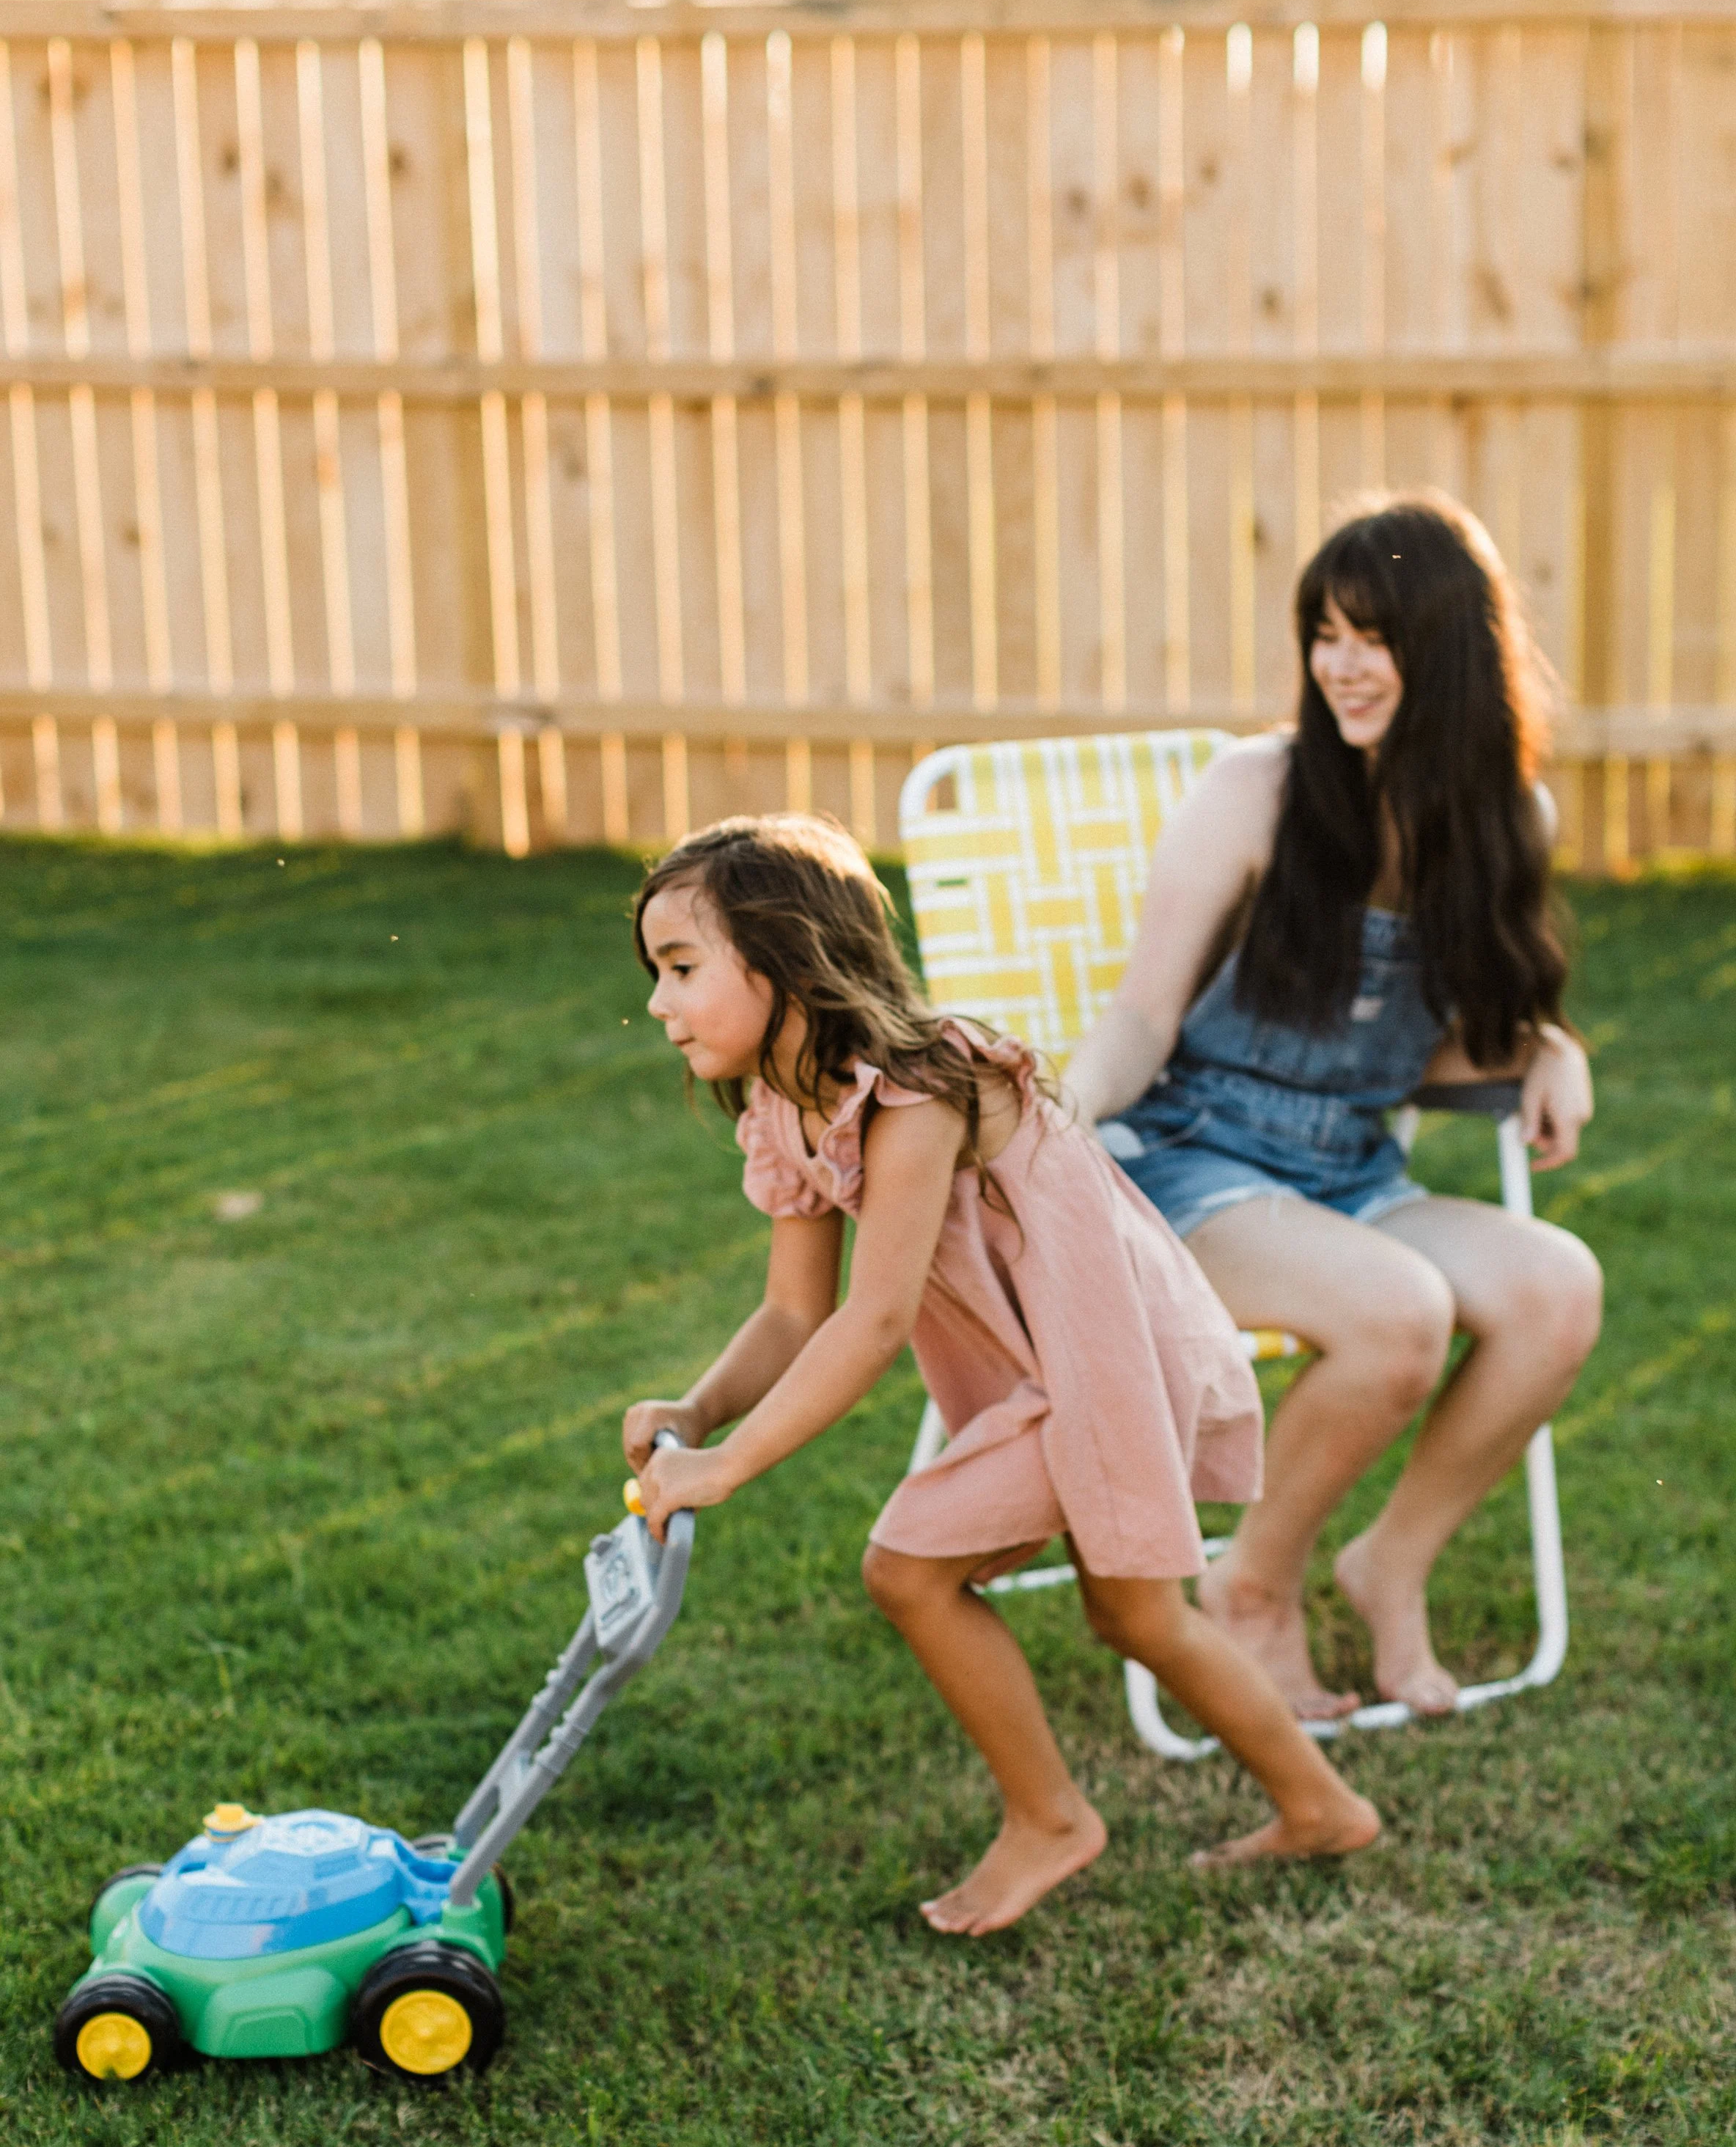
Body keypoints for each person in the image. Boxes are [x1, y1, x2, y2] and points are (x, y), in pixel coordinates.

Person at [622, 814, 1380, 1937]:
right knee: (1139, 1618)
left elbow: (876, 1320)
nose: (658, 1002)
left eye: (682, 968)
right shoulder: (786, 1112)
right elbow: (793, 1312)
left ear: (787, 956)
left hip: (1105, 1364)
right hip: (1044, 1372)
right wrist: (700, 1408)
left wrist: (729, 1464)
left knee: (913, 1570)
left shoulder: (922, 1086)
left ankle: (1051, 1817)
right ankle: (1324, 1808)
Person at [1062, 491, 1603, 1723]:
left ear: (1450, 649)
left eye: (1376, 637)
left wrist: (1548, 1044)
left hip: (1351, 1169)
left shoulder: (1508, 817)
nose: (1340, 666)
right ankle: (1252, 1584)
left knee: (1558, 1287)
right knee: (1401, 1310)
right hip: (1196, 1155)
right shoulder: (1257, 788)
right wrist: (1066, 1111)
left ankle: (1390, 1563)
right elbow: (1144, 1014)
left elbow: (1420, 1034)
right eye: (1325, 634)